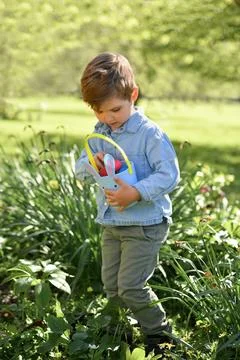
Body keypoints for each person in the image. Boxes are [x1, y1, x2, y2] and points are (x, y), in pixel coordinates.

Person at [75, 52, 180, 355]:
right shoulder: (100, 134)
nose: (108, 118)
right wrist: (92, 164)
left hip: (145, 224)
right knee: (112, 286)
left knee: (131, 287)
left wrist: (135, 193)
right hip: (112, 224)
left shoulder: (150, 134)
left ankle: (160, 335)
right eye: (99, 111)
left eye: (115, 109)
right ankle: (119, 332)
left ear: (132, 95)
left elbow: (169, 175)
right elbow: (81, 170)